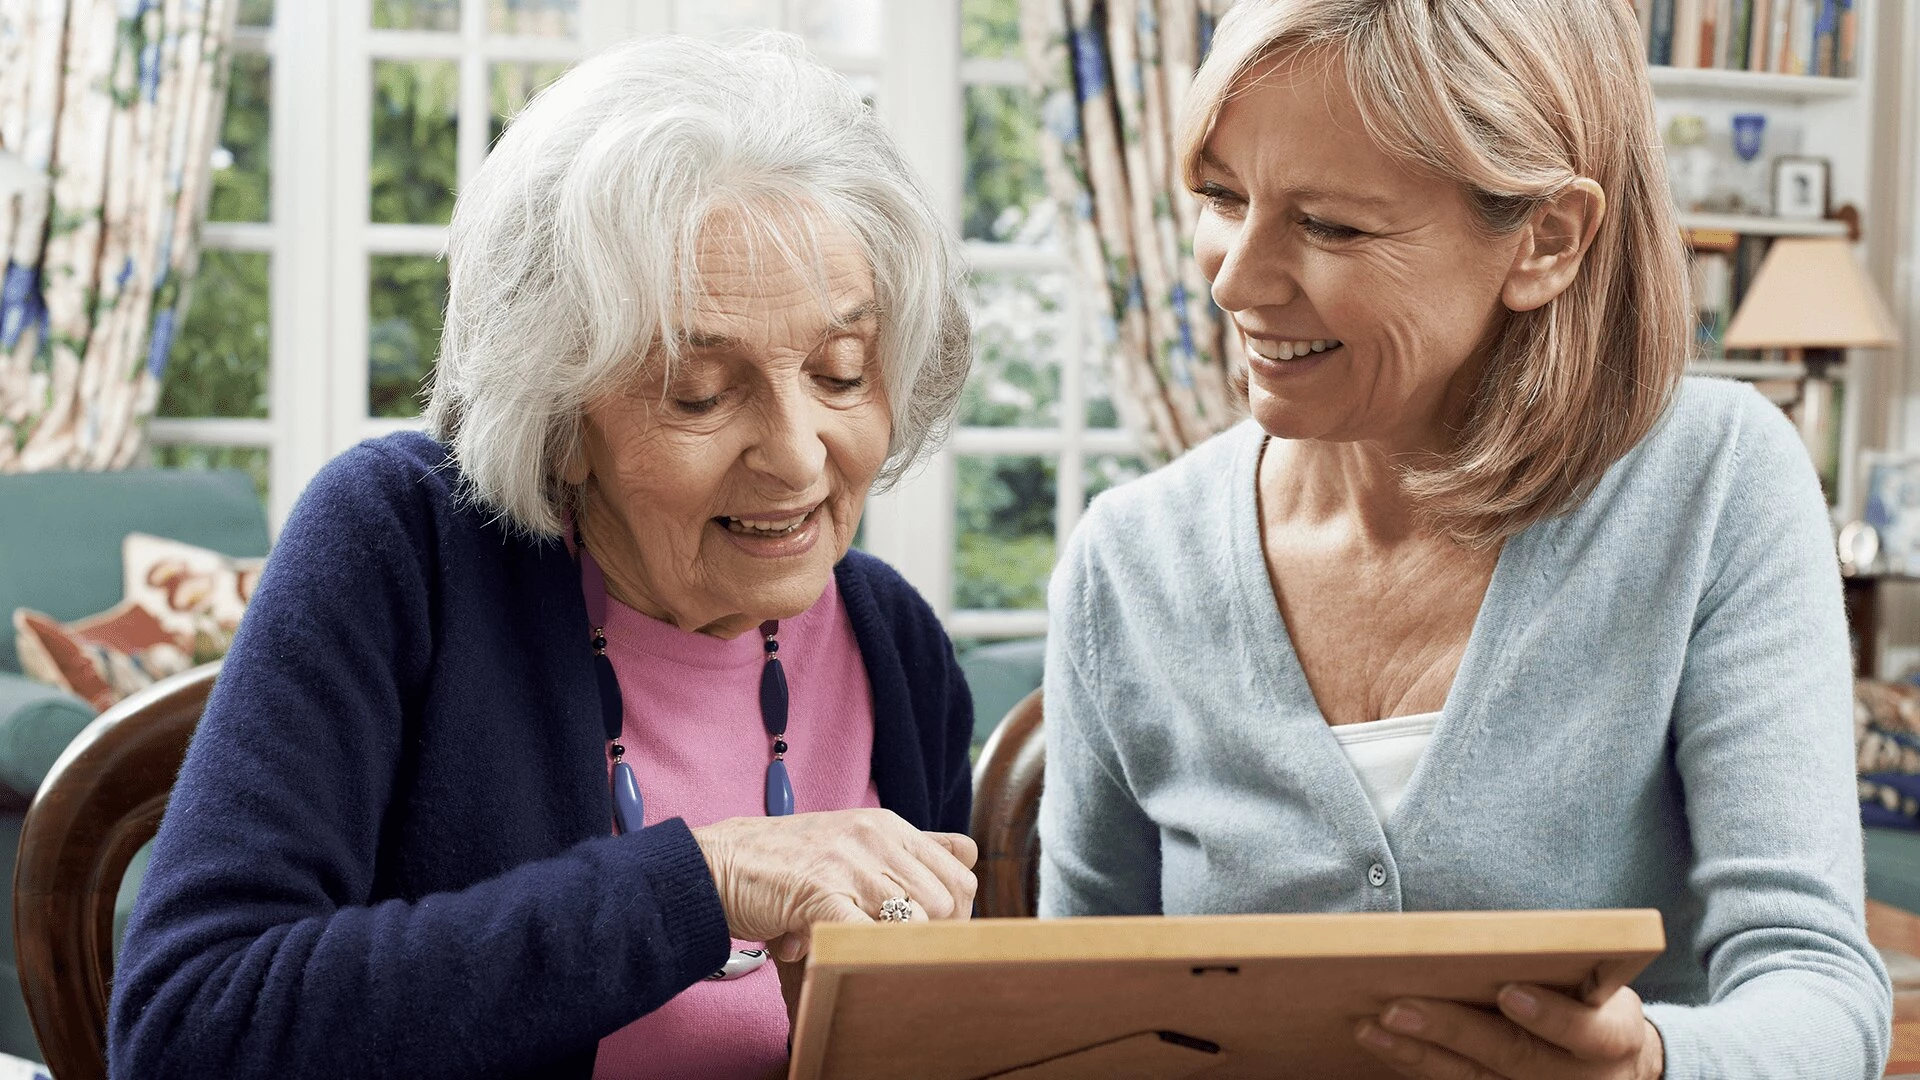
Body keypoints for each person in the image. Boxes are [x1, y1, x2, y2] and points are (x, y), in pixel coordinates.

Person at [1038, 2, 1891, 1078]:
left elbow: (1821, 994)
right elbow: (1077, 1018)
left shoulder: (1716, 483)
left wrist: (1651, 1064)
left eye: (1331, 225)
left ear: (1546, 240)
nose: (1232, 279)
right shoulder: (1128, 560)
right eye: (1221, 195)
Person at [110, 33, 977, 1080]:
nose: (798, 454)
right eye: (700, 392)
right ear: (559, 412)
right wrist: (703, 881)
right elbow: (190, 1028)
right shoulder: (403, 549)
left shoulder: (897, 649)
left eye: (842, 374)